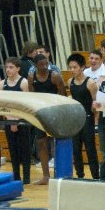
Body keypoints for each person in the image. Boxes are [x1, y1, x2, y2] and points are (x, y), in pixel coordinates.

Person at [28, 53, 66, 184]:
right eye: (41, 64)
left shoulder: (54, 76)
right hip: (41, 114)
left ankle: (58, 174)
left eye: (46, 63)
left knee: (55, 143)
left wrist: (60, 114)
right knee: (41, 143)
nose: (44, 66)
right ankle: (46, 176)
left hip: (54, 114)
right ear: (35, 66)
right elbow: (32, 97)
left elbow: (63, 96)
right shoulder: (32, 77)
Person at [67, 53, 99, 179]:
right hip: (76, 119)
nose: (72, 70)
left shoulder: (90, 83)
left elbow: (95, 104)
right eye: (70, 67)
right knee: (76, 149)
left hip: (88, 118)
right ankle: (80, 175)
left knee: (90, 149)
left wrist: (96, 122)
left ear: (82, 67)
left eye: (74, 67)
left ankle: (96, 176)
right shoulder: (70, 82)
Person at [1, 58, 31, 184]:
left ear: (18, 68)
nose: (8, 69)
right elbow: (2, 104)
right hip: (8, 120)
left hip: (22, 120)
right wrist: (10, 120)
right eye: (7, 67)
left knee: (24, 149)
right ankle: (16, 176)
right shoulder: (2, 83)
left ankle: (27, 177)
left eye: (11, 67)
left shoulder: (23, 82)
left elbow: (26, 104)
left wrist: (17, 120)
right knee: (13, 150)